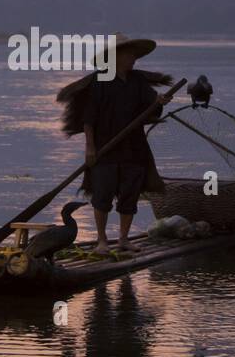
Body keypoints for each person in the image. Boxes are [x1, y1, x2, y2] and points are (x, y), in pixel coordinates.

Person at [56, 33, 174, 253]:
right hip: (105, 149)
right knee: (102, 196)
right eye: (130, 54)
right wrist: (90, 148)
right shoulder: (101, 80)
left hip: (134, 148)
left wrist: (160, 102)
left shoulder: (138, 81)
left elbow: (151, 109)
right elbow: (89, 119)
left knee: (130, 196)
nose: (134, 59)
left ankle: (123, 240)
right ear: (116, 56)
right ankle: (101, 241)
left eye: (134, 55)